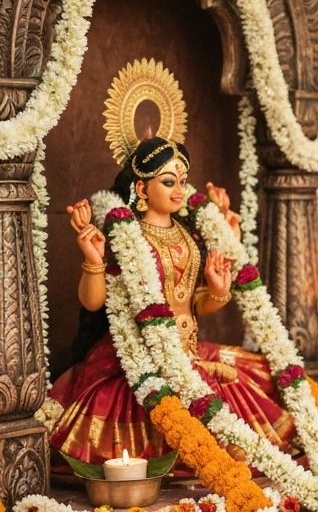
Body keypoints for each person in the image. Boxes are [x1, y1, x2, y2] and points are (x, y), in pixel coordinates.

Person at [49, 136, 298, 471]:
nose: (179, 190)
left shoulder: (189, 238)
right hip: (140, 359)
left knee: (261, 376)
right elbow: (94, 303)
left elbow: (193, 306)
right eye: (168, 182)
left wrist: (217, 290)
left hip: (189, 352)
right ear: (141, 189)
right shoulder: (127, 238)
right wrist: (92, 258)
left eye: (182, 181)